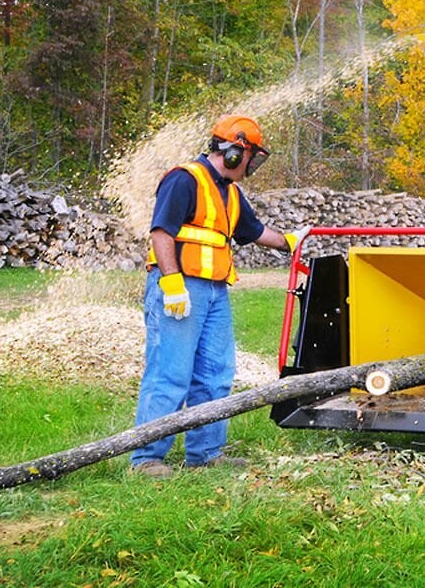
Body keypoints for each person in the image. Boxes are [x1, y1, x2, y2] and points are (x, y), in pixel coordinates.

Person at [130, 114, 306, 478]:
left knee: (215, 374)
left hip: (215, 290)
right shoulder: (183, 179)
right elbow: (161, 234)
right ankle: (145, 459)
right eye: (250, 156)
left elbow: (254, 231)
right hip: (180, 287)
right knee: (170, 373)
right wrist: (172, 283)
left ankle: (206, 454)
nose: (251, 165)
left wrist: (290, 241)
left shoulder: (231, 193)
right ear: (231, 152)